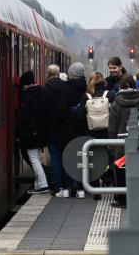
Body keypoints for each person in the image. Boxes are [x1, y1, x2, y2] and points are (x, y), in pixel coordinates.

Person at [107, 73, 139, 207]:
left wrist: (111, 145)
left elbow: (112, 126)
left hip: (121, 142)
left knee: (121, 169)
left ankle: (122, 198)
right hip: (138, 141)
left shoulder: (117, 103)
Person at [60, 62, 89, 198]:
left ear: (71, 74)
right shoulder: (87, 88)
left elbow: (61, 110)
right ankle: (81, 189)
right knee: (81, 157)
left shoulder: (65, 89)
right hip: (82, 127)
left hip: (67, 128)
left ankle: (66, 188)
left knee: (67, 157)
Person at [17, 71, 49, 194]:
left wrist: (22, 133)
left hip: (31, 134)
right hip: (40, 132)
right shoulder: (41, 93)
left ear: (26, 85)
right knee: (37, 159)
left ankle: (43, 185)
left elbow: (25, 118)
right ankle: (37, 185)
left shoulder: (27, 97)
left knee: (34, 159)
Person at [43, 64, 69, 196]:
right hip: (65, 129)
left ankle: (58, 187)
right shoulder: (66, 88)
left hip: (50, 129)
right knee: (66, 156)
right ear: (59, 74)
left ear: (48, 74)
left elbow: (42, 111)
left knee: (55, 158)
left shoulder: (44, 90)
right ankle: (67, 186)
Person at [80, 71, 115, 139]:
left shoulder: (86, 97)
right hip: (107, 133)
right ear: (103, 81)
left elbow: (80, 116)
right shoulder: (110, 95)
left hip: (91, 134)